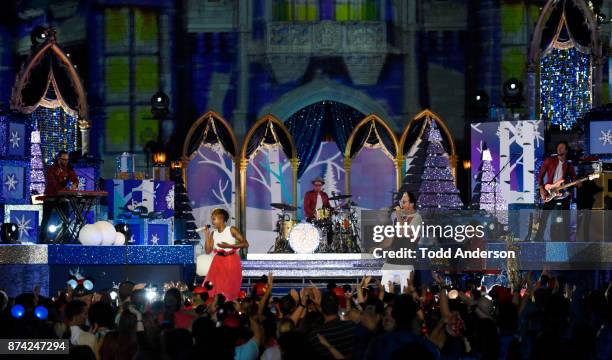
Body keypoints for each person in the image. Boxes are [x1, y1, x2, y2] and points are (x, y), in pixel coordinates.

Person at [535, 141, 579, 241]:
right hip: (551, 192)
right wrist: (542, 189)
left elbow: (574, 178)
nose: (559, 149)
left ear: (566, 150)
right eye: (558, 147)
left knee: (566, 219)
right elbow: (540, 175)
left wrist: (578, 182)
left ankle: (566, 241)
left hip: (564, 194)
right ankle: (538, 239)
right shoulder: (549, 160)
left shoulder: (568, 164)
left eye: (562, 147)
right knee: (544, 218)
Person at [202, 208, 249, 301]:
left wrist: (229, 245)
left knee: (228, 287)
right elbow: (208, 251)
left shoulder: (231, 230)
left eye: (214, 219)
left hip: (231, 260)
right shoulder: (213, 233)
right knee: (213, 285)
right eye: (212, 219)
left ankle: (228, 305)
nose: (212, 221)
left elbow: (245, 243)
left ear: (221, 219)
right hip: (218, 261)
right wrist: (207, 236)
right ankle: (216, 304)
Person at [380, 192, 422, 292]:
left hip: (406, 261)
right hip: (392, 259)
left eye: (404, 202)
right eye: (401, 201)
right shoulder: (395, 216)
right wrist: (379, 246)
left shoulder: (417, 218)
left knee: (405, 295)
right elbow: (393, 236)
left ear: (412, 204)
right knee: (385, 291)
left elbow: (404, 232)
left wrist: (398, 214)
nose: (401, 204)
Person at [39, 150, 79, 243]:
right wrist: (65, 190)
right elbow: (53, 183)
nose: (65, 162)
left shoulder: (69, 169)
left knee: (66, 218)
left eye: (67, 160)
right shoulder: (51, 169)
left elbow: (75, 180)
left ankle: (65, 238)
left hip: (62, 197)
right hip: (51, 196)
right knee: (46, 218)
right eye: (63, 159)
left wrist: (74, 185)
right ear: (59, 159)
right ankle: (42, 239)